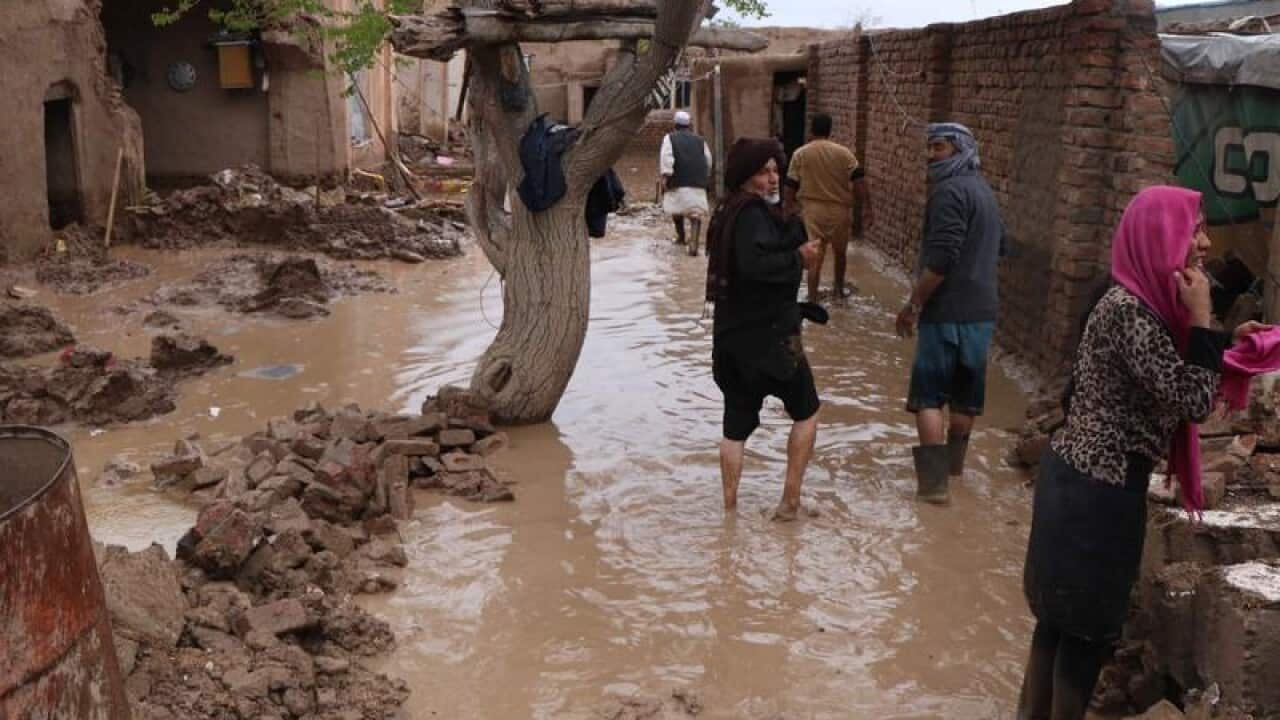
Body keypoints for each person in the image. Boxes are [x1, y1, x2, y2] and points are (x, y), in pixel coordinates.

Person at [1016, 186, 1269, 719]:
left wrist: (1222, 341)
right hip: (1098, 498)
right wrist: (1203, 320)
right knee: (1083, 638)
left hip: (1075, 484)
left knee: (1057, 626)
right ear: (1160, 239)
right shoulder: (1130, 312)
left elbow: (1164, 369)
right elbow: (1193, 400)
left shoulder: (1131, 302)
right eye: (1192, 230)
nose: (1203, 242)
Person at [706, 137, 822, 521]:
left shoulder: (728, 212)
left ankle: (728, 511)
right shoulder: (752, 214)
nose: (773, 179)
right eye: (763, 172)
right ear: (745, 176)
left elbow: (753, 257)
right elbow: (756, 267)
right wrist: (799, 257)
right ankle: (790, 501)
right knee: (807, 412)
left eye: (776, 171)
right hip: (771, 340)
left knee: (735, 427)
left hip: (731, 340)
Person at [895, 122, 1005, 505]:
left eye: (938, 148)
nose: (931, 155)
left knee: (928, 397)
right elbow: (1000, 247)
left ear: (960, 150)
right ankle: (956, 472)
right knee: (965, 397)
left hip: (945, 311)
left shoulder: (948, 193)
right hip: (982, 311)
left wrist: (913, 305)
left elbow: (941, 258)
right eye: (929, 147)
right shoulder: (985, 193)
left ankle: (933, 486)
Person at [784, 113, 874, 304]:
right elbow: (859, 180)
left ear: (812, 130)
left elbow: (790, 183)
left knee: (815, 255)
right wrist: (867, 207)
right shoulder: (844, 153)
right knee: (840, 253)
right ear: (829, 130)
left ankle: (812, 298)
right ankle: (838, 292)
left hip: (812, 210)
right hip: (839, 210)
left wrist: (788, 206)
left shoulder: (800, 154)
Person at [660, 110, 713, 256]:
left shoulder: (669, 138)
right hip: (697, 182)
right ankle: (694, 244)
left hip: (678, 180)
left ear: (674, 125)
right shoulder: (700, 140)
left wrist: (666, 176)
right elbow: (708, 160)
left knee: (677, 210)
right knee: (695, 213)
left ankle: (681, 238)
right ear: (689, 125)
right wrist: (705, 177)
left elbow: (666, 158)